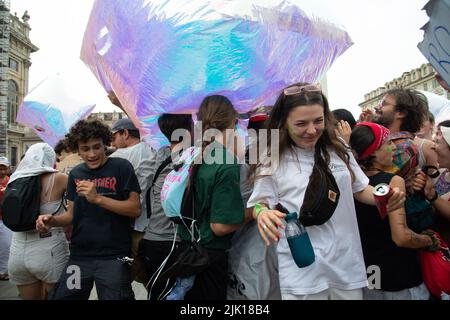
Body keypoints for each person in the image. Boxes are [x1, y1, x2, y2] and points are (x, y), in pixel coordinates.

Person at [247, 83, 405, 300]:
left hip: (345, 264)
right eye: (301, 123)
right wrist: (262, 213)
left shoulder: (338, 148)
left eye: (318, 121)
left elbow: (360, 189)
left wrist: (385, 196)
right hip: (302, 271)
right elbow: (258, 204)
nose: (312, 130)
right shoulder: (271, 157)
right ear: (283, 123)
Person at [36, 119, 141, 300]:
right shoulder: (76, 173)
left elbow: (134, 209)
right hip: (80, 257)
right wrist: (52, 220)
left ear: (104, 144)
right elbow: (71, 215)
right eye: (85, 149)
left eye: (96, 147)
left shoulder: (121, 167)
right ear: (78, 149)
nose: (92, 154)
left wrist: (98, 199)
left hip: (114, 258)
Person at [350, 122, 435, 300]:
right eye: (387, 143)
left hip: (371, 275)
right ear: (373, 152)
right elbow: (401, 237)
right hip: (401, 277)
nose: (393, 147)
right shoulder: (393, 181)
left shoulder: (348, 182)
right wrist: (428, 240)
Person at [176, 95, 245, 300]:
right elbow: (220, 226)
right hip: (209, 258)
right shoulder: (225, 161)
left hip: (186, 251)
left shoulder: (188, 154)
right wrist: (256, 211)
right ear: (233, 122)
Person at [138, 113, 193, 300]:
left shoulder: (160, 154)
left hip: (152, 239)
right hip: (174, 243)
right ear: (190, 129)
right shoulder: (192, 158)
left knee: (158, 294)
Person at [7, 144, 69, 299]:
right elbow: (75, 212)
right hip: (49, 249)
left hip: (17, 251)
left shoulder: (14, 179)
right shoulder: (60, 178)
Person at [109, 118, 156, 285]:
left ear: (126, 133)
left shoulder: (117, 158)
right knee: (151, 280)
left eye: (113, 137)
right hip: (151, 226)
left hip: (124, 228)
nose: (112, 143)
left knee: (120, 281)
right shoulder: (153, 151)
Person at [373, 88, 437, 188]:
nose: (377, 107)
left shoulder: (405, 147)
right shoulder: (388, 141)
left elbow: (370, 180)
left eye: (384, 104)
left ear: (401, 113)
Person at [0, 156, 11, 281]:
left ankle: (3, 271)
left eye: (4, 168)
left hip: (6, 218)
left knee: (6, 245)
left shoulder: (11, 181)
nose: (2, 171)